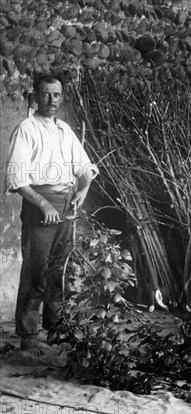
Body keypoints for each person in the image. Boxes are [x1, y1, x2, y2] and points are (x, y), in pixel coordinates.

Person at [4, 75, 99, 354]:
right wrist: (43, 205)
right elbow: (15, 178)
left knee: (58, 269)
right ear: (35, 96)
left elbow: (84, 168)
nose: (52, 100)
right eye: (46, 94)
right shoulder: (27, 128)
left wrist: (82, 191)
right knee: (36, 269)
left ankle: (55, 330)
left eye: (57, 95)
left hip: (66, 203)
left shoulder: (64, 130)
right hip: (40, 205)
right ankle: (29, 337)